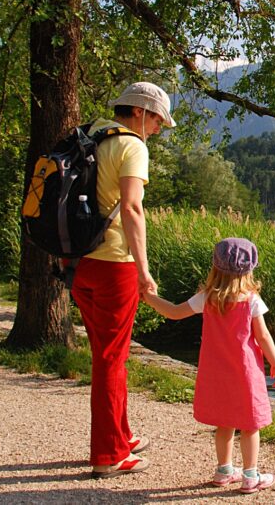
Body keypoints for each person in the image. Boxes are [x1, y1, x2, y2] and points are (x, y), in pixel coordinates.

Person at [73, 81, 175, 478]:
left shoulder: (91, 134)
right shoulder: (132, 146)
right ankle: (108, 455)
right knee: (112, 361)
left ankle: (121, 436)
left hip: (80, 263)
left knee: (106, 357)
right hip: (115, 262)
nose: (157, 129)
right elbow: (132, 208)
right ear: (140, 112)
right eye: (157, 121)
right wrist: (144, 270)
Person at [142, 237, 275, 494]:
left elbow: (173, 312)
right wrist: (274, 361)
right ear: (249, 269)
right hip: (245, 373)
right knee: (250, 425)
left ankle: (224, 470)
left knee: (224, 422)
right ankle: (251, 475)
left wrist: (150, 298)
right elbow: (262, 336)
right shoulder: (250, 300)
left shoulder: (207, 297)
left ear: (215, 267)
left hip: (216, 373)